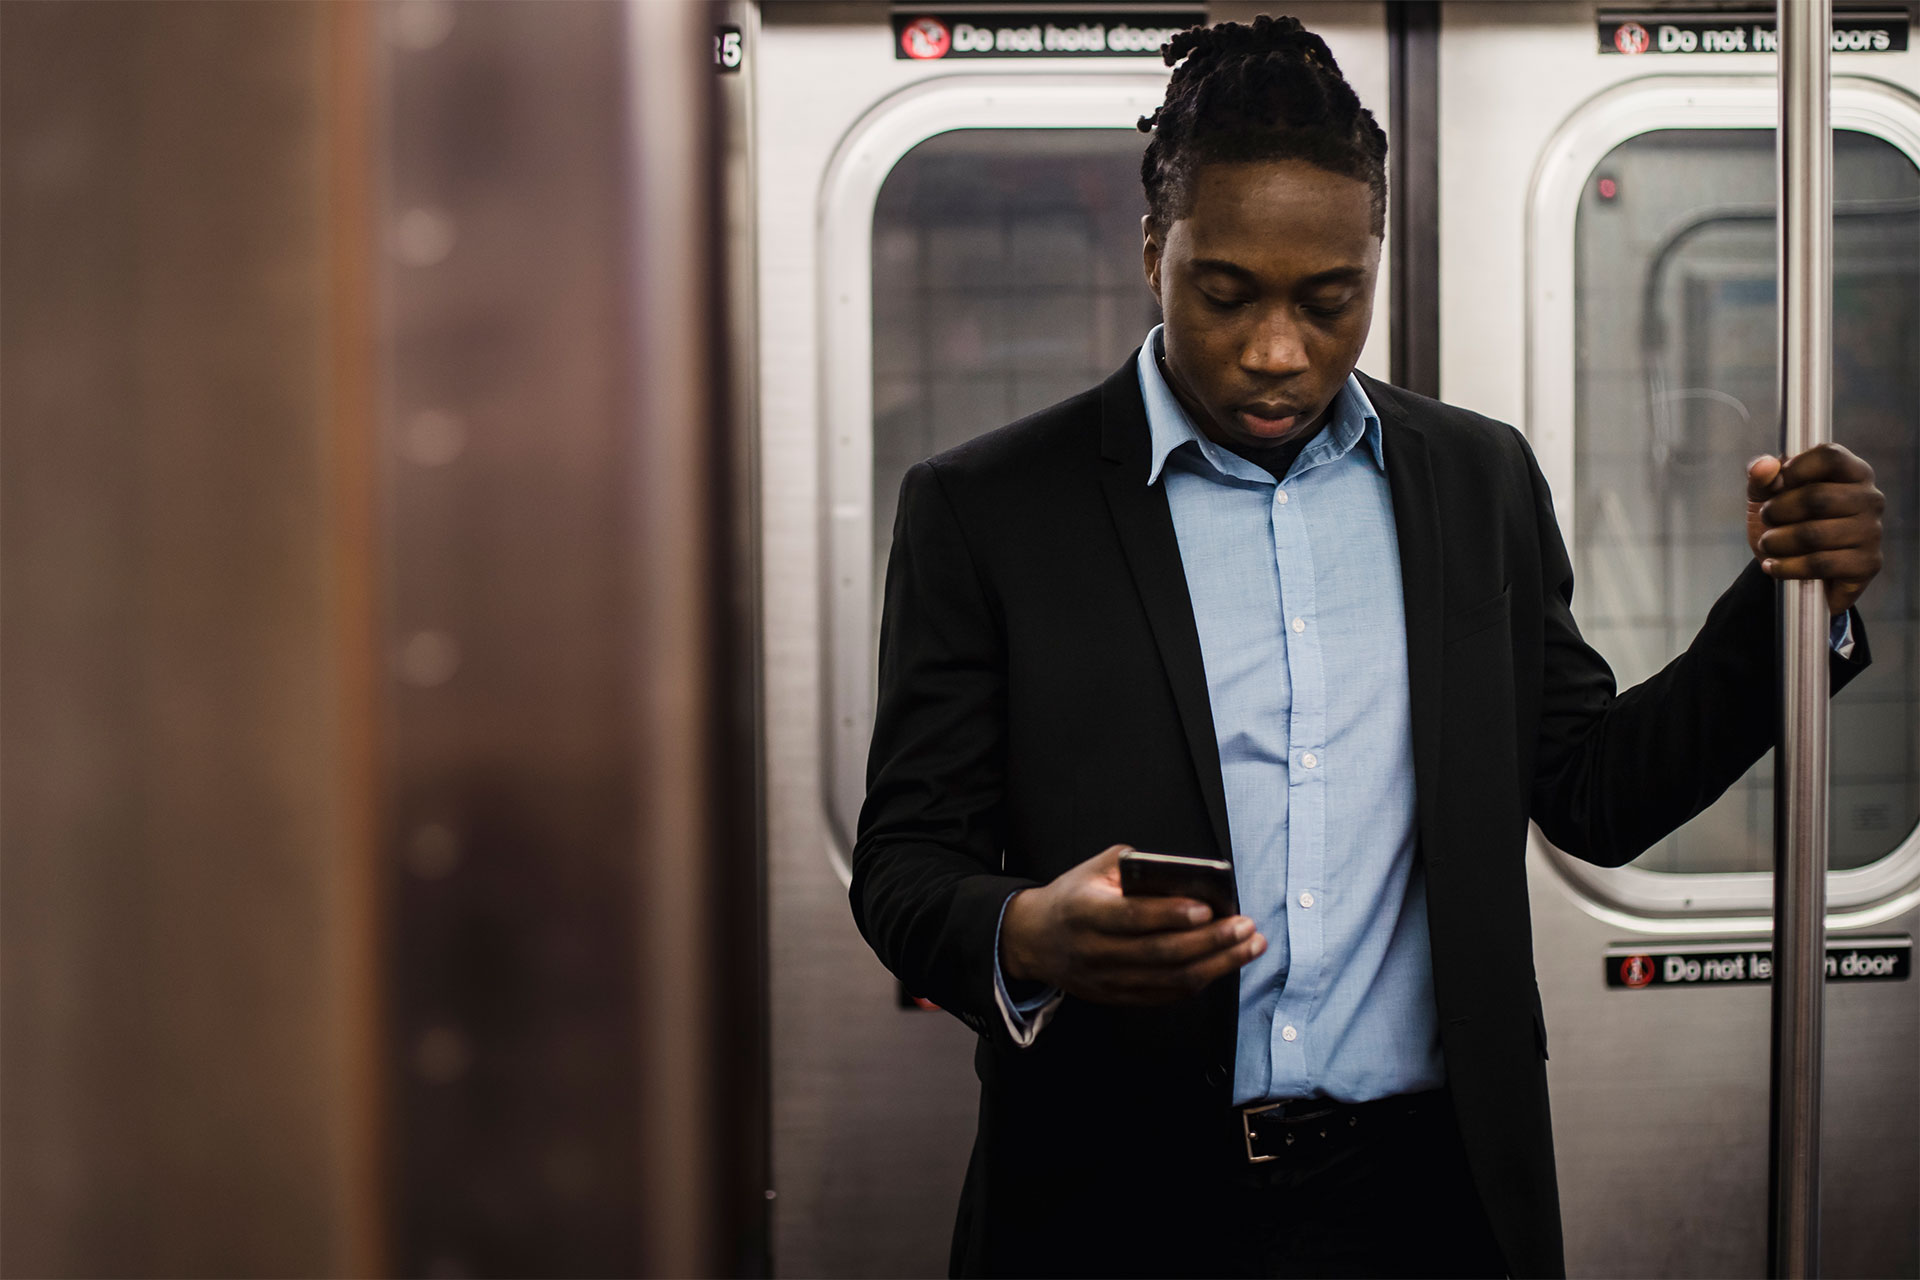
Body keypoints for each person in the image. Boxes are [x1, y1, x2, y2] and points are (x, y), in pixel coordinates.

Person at [849, 15, 1885, 1279]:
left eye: (1330, 299)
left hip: (1428, 1201)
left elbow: (1594, 788)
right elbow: (904, 864)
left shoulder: (1474, 477)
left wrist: (1792, 599)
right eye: (1224, 293)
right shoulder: (992, 506)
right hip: (1115, 1200)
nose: (1278, 350)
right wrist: (1022, 931)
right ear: (1151, 252)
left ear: (1375, 263)